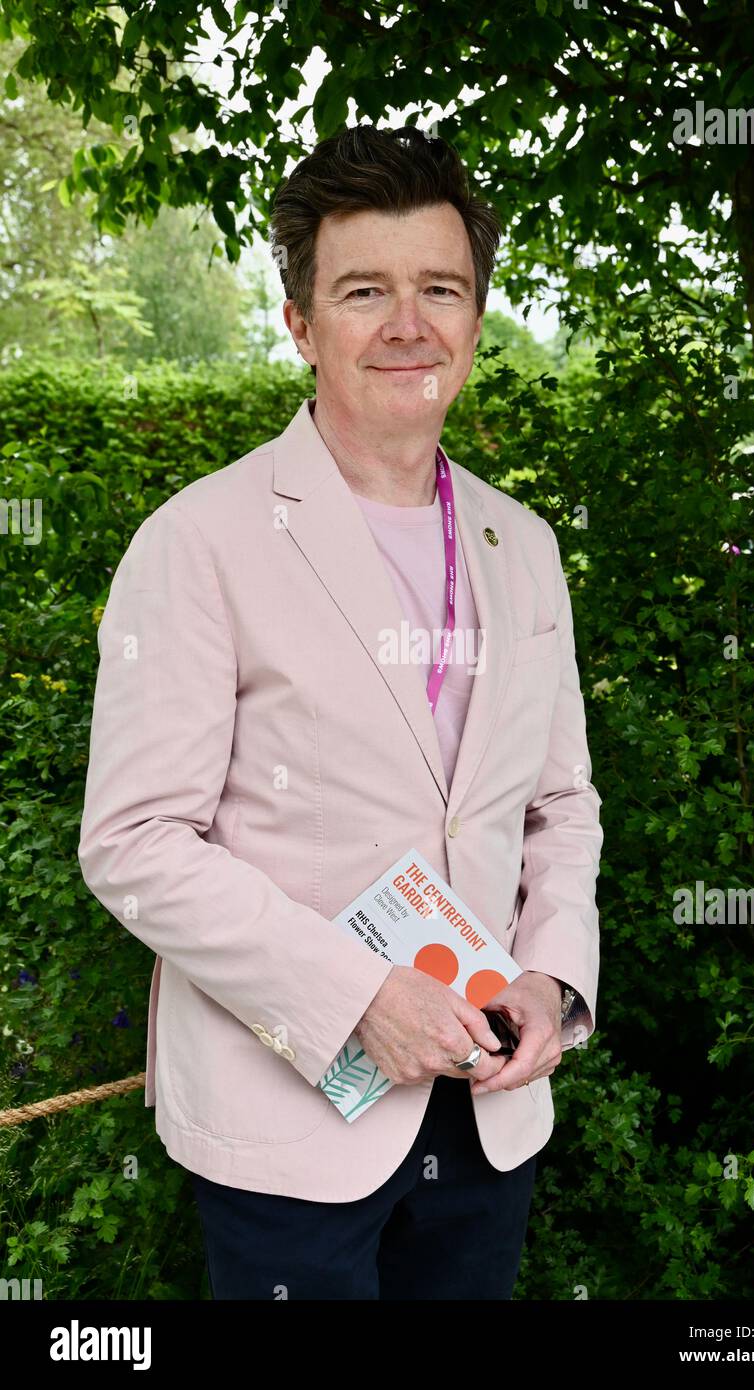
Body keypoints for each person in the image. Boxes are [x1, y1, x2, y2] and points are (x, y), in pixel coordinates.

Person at [77, 124, 603, 1300]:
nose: (408, 325)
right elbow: (133, 841)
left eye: (440, 290)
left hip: (488, 1107)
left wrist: (555, 983)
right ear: (302, 324)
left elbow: (560, 805)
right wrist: (354, 996)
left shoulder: (526, 547)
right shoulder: (197, 540)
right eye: (365, 291)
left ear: (474, 317)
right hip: (289, 1123)